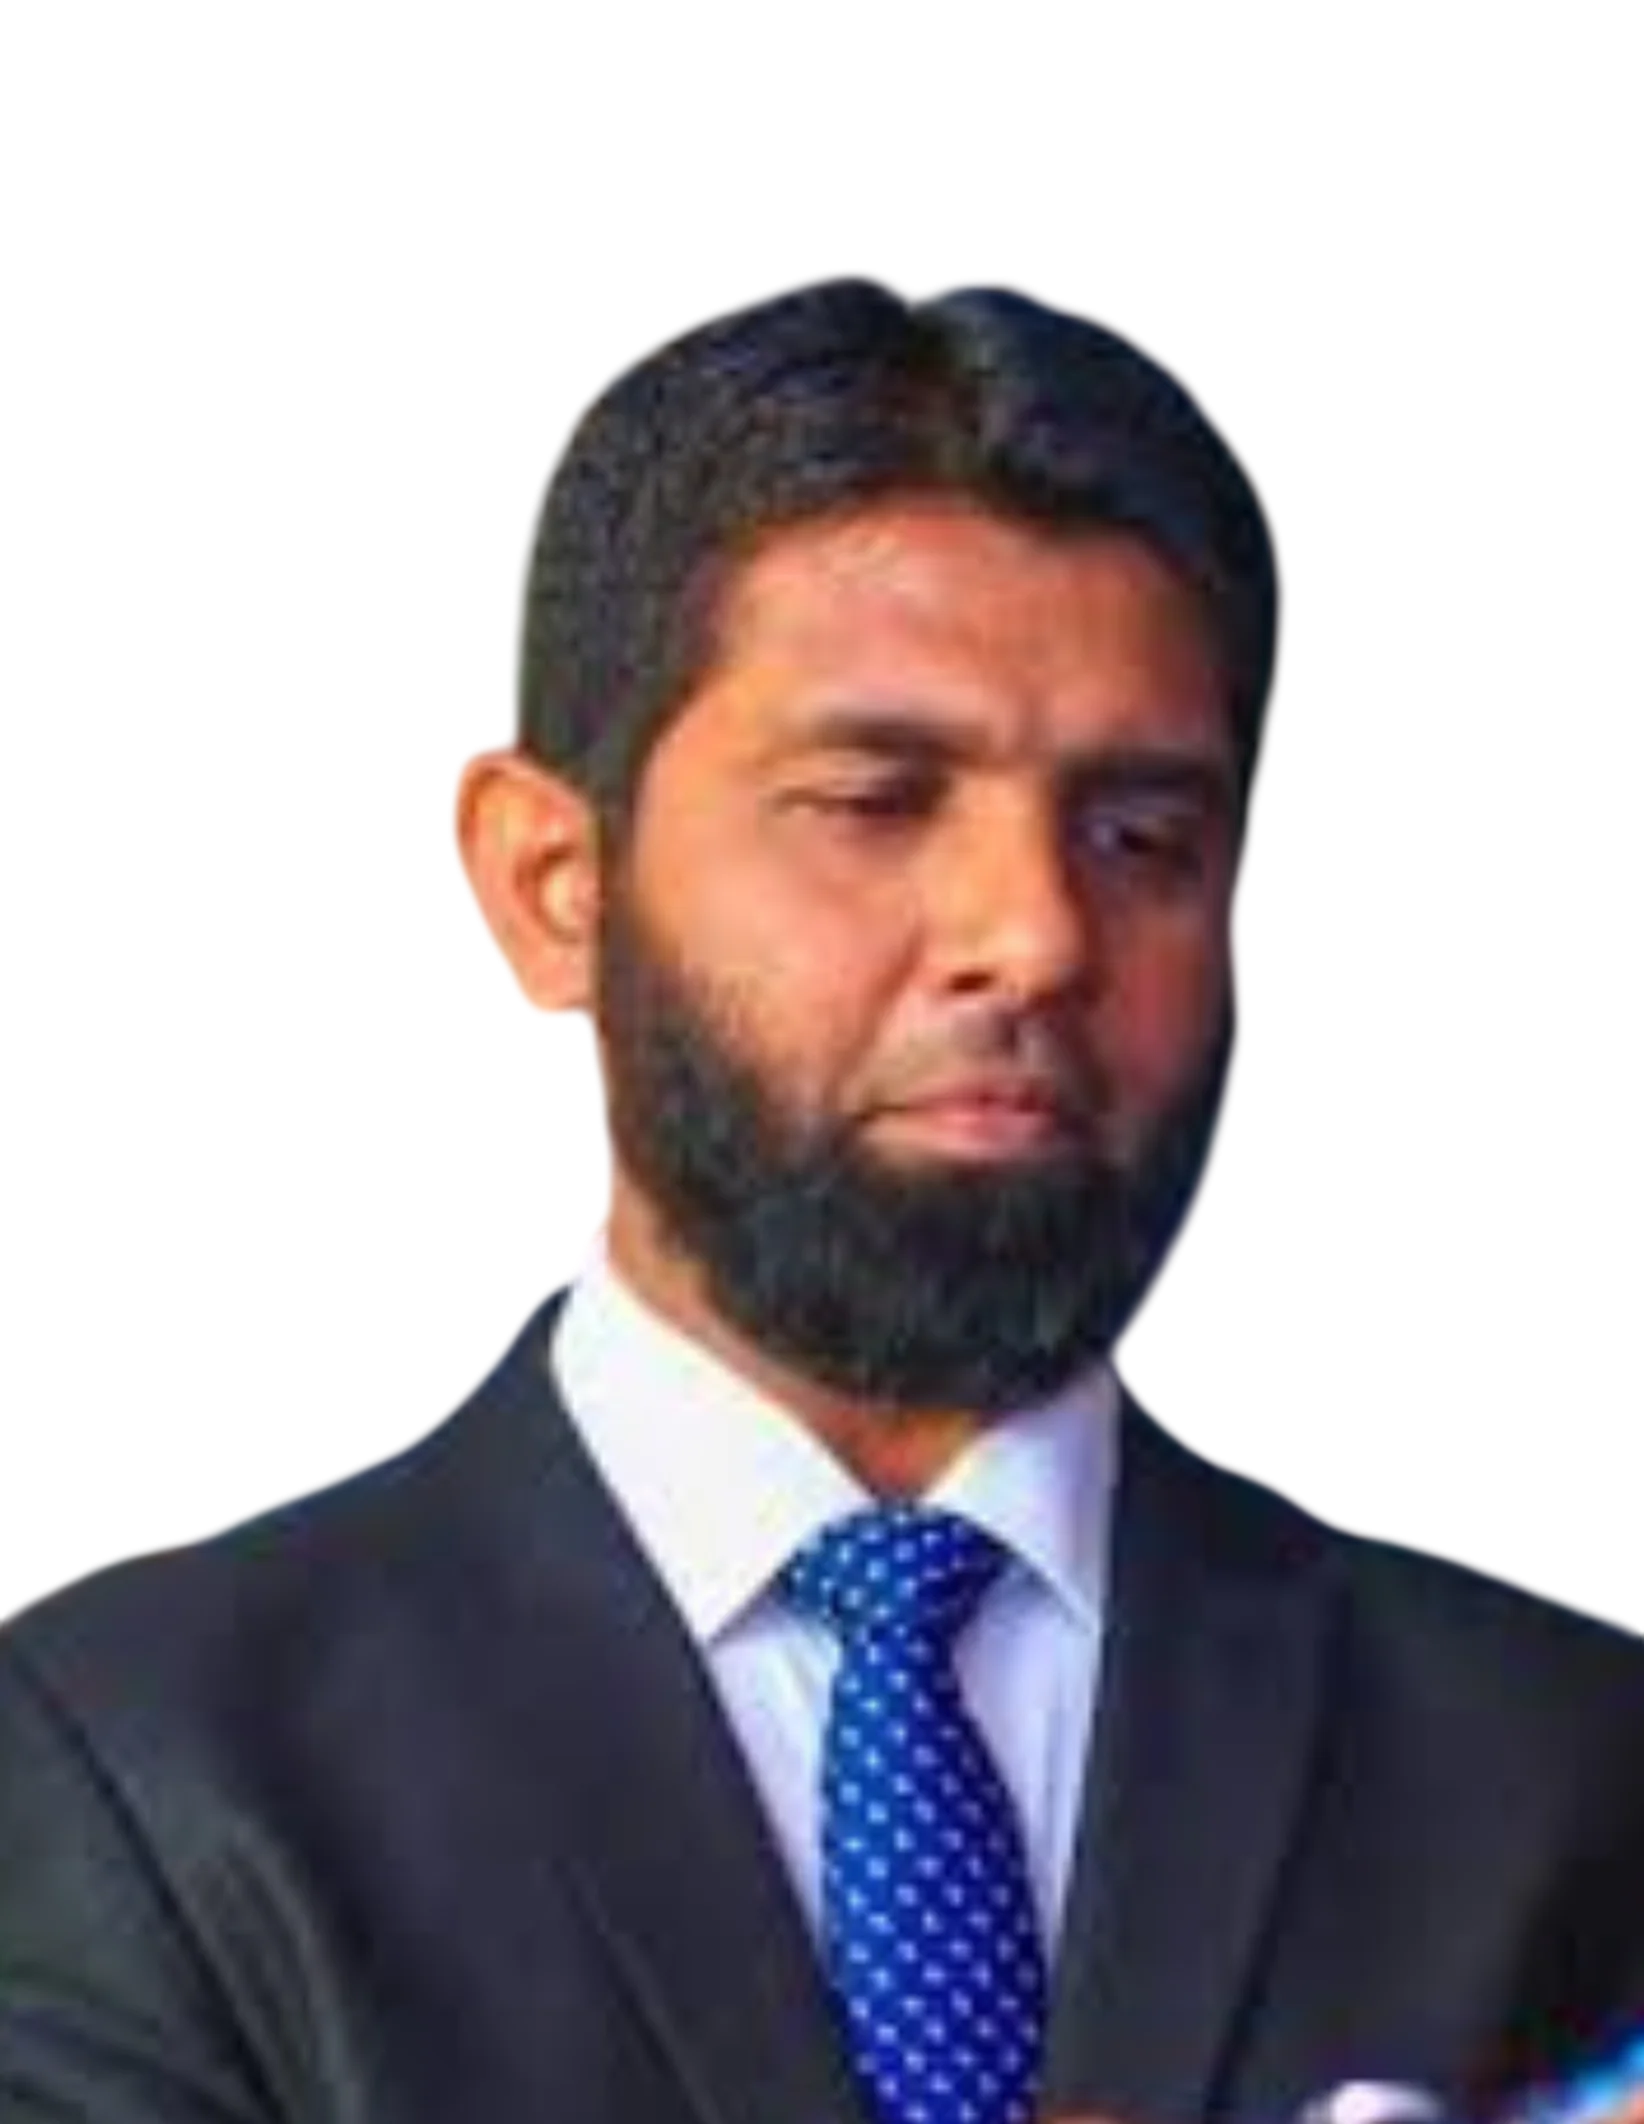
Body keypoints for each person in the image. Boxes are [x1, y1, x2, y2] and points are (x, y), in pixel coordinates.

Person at [2, 274, 1639, 2124]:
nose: (1035, 933)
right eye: (876, 801)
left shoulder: (1559, 1768)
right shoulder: (139, 1766)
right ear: (549, 885)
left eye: (1143, 836)